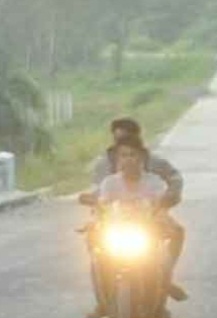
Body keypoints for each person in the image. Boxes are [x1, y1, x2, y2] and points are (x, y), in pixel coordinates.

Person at [80, 118, 187, 318]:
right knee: (94, 245)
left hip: (147, 222)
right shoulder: (105, 170)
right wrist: (96, 208)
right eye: (122, 152)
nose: (128, 158)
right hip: (113, 223)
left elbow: (171, 182)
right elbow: (99, 194)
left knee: (174, 233)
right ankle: (103, 299)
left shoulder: (154, 170)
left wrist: (168, 200)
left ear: (140, 151)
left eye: (133, 153)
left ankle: (164, 281)